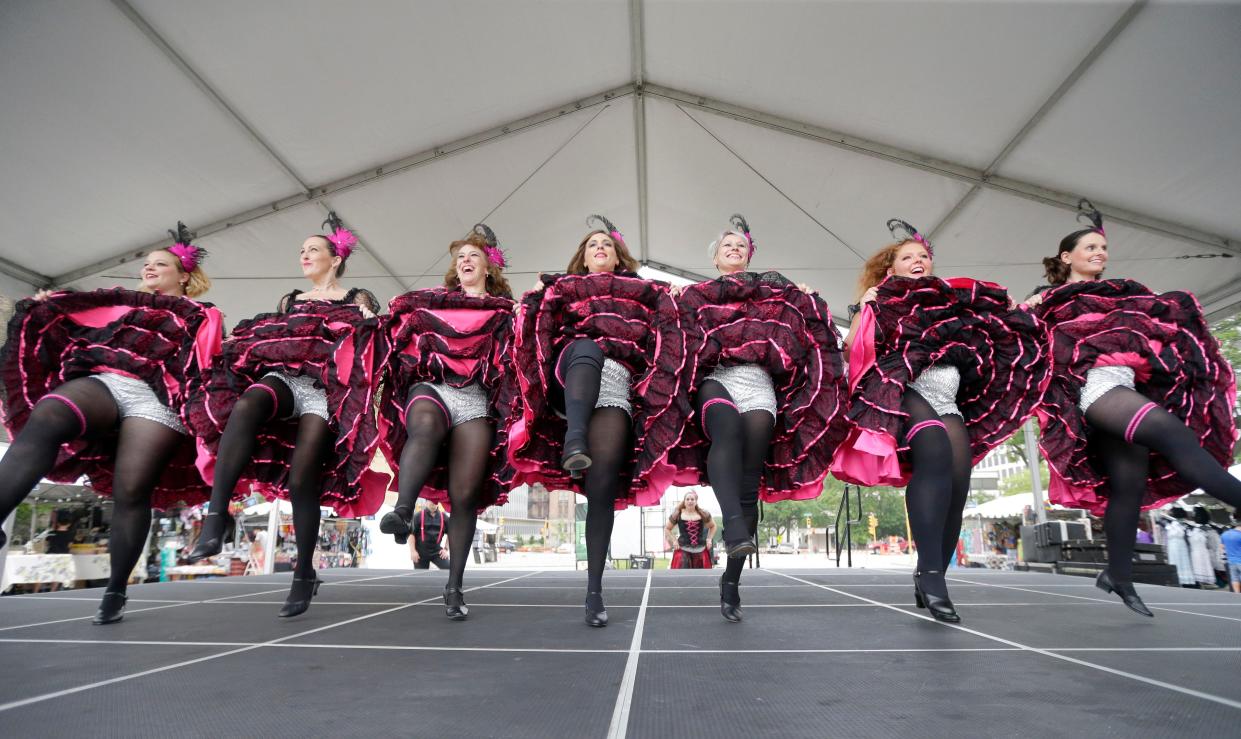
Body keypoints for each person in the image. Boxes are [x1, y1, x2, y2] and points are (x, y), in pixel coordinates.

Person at [1025, 200, 1241, 616]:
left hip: (1123, 389)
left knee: (1128, 486)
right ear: (1066, 256)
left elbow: (1161, 329)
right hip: (1093, 391)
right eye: (1090, 247)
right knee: (1175, 435)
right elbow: (1022, 341)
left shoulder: (1124, 293)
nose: (1099, 254)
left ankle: (1118, 575)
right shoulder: (1047, 300)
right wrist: (1029, 308)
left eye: (1103, 249)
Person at [0, 223, 222, 623]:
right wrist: (52, 304)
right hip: (106, 381)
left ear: (184, 275)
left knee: (131, 490)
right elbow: (76, 314)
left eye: (160, 264)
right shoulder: (123, 304)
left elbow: (204, 366)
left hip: (158, 401)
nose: (149, 269)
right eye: (147, 264)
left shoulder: (202, 314)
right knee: (48, 415)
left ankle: (116, 588)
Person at [832, 219, 1049, 623]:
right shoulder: (878, 300)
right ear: (891, 268)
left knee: (958, 481)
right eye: (908, 258)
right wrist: (866, 306)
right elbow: (850, 352)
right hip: (903, 388)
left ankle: (931, 573)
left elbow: (996, 324)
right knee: (932, 451)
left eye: (923, 257)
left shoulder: (953, 299)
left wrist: (1025, 310)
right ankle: (933, 579)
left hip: (947, 394)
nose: (918, 261)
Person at [184, 212, 387, 618]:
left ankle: (303, 574)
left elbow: (368, 353)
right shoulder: (289, 301)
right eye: (301, 251)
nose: (304, 256)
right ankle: (215, 516)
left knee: (301, 482)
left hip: (323, 393)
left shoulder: (357, 299)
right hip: (285, 378)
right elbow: (272, 338)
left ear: (336, 259)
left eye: (313, 249)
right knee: (245, 406)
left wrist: (370, 325)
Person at [508, 215, 686, 627]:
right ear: (583, 259)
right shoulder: (564, 289)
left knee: (602, 489)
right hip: (570, 376)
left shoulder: (644, 294)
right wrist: (536, 294)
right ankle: (574, 439)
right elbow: (537, 321)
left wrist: (678, 294)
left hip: (615, 390)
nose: (599, 247)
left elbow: (673, 316)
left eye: (606, 243)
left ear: (617, 254)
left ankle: (593, 590)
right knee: (586, 346)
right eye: (592, 245)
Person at [666, 215, 846, 620]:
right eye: (726, 246)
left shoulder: (775, 295)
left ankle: (731, 580)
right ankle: (732, 525)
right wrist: (672, 298)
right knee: (725, 430)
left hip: (759, 385)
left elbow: (807, 329)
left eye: (740, 246)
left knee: (750, 485)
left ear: (750, 255)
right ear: (715, 259)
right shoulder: (696, 295)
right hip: (716, 379)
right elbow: (669, 328)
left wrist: (804, 297)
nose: (734, 249)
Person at [376, 224, 518, 620]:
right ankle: (403, 511)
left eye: (473, 255)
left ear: (488, 266)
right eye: (460, 258)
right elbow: (400, 315)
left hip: (475, 399)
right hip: (433, 386)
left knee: (464, 495)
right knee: (422, 426)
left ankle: (454, 585)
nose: (466, 261)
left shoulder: (505, 310)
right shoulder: (435, 302)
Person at [665, 491, 717, 569]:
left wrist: (709, 539)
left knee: (700, 576)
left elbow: (713, 526)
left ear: (696, 502)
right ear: (684, 502)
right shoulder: (677, 514)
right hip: (683, 548)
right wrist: (674, 541)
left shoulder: (703, 514)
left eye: (692, 499)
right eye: (688, 499)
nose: (690, 501)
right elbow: (667, 528)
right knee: (683, 573)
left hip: (701, 548)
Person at [408, 502, 450, 570]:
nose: (433, 502)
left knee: (449, 569)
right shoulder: (418, 516)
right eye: (431, 500)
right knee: (420, 576)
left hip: (437, 552)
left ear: (438, 502)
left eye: (435, 500)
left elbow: (451, 534)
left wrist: (446, 549)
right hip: (420, 553)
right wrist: (413, 551)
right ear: (426, 502)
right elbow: (411, 534)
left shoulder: (444, 517)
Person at [1223, 509, 1241, 594]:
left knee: (1235, 578)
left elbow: (1222, 547)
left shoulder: (1225, 534)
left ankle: (1237, 595)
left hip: (1231, 561)